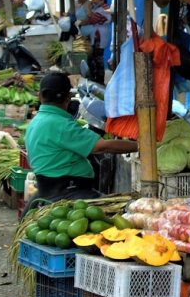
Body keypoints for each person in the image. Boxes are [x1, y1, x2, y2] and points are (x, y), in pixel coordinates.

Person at [25, 72, 137, 203]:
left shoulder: (36, 121)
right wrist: (141, 146)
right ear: (68, 97)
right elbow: (102, 147)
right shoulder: (60, 125)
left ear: (40, 96)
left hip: (47, 188)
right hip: (68, 192)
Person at [78, 0, 111, 84]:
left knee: (98, 58)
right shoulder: (97, 7)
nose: (92, 1)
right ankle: (95, 78)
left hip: (99, 36)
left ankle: (99, 80)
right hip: (96, 35)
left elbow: (92, 19)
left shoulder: (105, 8)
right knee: (93, 58)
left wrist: (88, 10)